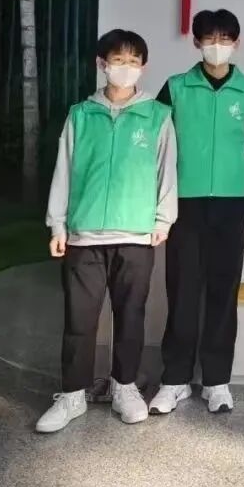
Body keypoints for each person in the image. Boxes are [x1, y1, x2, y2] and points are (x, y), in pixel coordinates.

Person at [37, 30, 177, 433]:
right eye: (118, 60)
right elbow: (64, 170)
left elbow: (166, 170)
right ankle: (72, 395)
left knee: (130, 315)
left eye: (133, 62)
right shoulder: (81, 114)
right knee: (79, 319)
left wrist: (163, 220)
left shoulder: (157, 115)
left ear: (143, 67)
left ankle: (125, 387)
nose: (125, 68)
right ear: (102, 64)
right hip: (84, 235)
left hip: (135, 233)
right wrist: (58, 223)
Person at [150, 9, 244, 415]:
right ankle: (174, 380)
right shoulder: (175, 88)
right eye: (210, 38)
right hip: (185, 201)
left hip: (230, 203)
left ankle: (217, 380)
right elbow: (161, 143)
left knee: (223, 290)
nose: (218, 45)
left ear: (237, 43)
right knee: (182, 290)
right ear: (197, 42)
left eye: (226, 38)